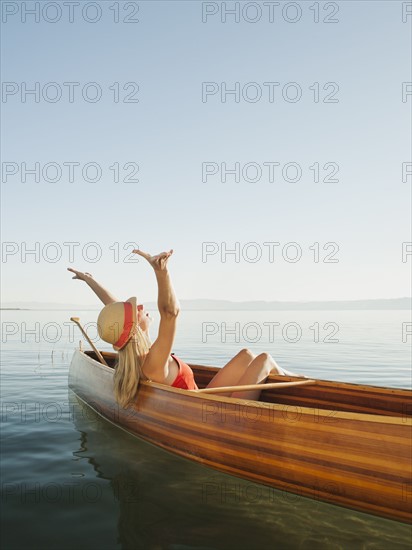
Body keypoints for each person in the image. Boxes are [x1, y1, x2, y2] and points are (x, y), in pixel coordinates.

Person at [68, 248, 298, 408]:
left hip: (202, 399)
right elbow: (170, 313)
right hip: (218, 416)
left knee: (247, 355)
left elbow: (113, 310)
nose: (142, 307)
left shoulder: (134, 356)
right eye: (137, 309)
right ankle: (302, 386)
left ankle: (295, 382)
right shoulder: (153, 362)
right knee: (264, 359)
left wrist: (90, 280)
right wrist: (162, 272)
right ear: (135, 327)